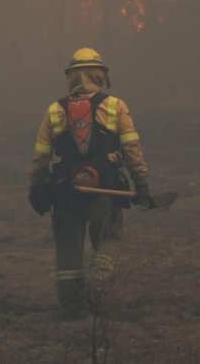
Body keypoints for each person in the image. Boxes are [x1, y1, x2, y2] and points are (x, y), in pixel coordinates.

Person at [28, 47, 153, 316]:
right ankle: (98, 283)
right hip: (104, 189)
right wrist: (141, 184)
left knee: (68, 246)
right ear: (100, 75)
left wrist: (35, 188)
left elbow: (40, 155)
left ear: (70, 76)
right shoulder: (115, 106)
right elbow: (131, 148)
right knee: (109, 236)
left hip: (64, 191)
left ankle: (72, 306)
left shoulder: (54, 110)